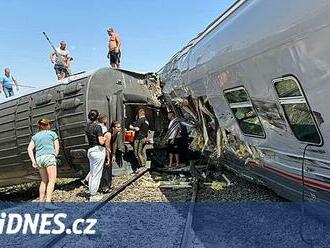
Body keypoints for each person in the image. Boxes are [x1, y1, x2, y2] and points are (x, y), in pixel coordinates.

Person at [27, 119, 59, 209]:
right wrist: (54, 156)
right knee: (52, 180)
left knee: (44, 180)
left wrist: (33, 161)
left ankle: (41, 203)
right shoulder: (52, 134)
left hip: (39, 159)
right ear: (47, 125)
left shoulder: (35, 136)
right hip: (49, 157)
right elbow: (57, 147)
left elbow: (29, 149)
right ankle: (48, 203)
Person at [85, 109, 106, 201]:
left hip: (90, 150)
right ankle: (93, 195)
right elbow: (101, 141)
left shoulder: (87, 127)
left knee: (92, 172)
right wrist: (105, 138)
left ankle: (91, 192)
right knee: (97, 173)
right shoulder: (98, 127)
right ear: (97, 117)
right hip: (98, 150)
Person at [100, 121, 122, 192]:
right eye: (118, 127)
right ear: (113, 128)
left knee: (109, 168)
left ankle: (109, 184)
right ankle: (104, 187)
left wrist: (114, 155)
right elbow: (107, 146)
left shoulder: (117, 133)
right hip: (103, 150)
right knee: (106, 168)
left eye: (120, 127)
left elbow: (114, 144)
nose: (120, 128)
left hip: (109, 150)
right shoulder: (108, 134)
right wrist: (108, 158)